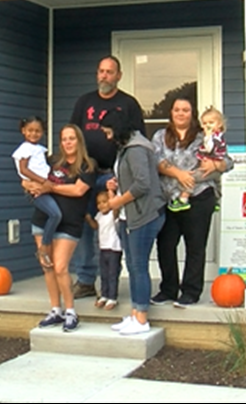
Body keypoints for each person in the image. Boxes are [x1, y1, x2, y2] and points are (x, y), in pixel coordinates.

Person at [68, 55, 146, 300]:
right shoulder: (85, 102)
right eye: (101, 71)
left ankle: (110, 283)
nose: (104, 76)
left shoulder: (128, 104)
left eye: (109, 72)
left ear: (118, 76)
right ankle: (85, 279)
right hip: (87, 176)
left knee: (114, 229)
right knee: (85, 224)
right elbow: (73, 135)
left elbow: (137, 140)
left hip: (115, 176)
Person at [151, 97, 232, 308]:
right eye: (177, 109)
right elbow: (155, 161)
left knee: (195, 247)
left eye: (185, 110)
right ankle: (168, 289)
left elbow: (227, 161)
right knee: (165, 246)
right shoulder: (160, 136)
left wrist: (216, 166)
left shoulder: (203, 136)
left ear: (191, 113)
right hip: (168, 199)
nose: (180, 113)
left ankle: (191, 291)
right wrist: (179, 174)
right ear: (171, 113)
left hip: (199, 196)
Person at [22, 124, 96, 333]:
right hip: (42, 220)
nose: (68, 142)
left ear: (79, 140)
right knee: (47, 266)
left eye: (72, 138)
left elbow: (78, 190)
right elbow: (27, 180)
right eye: (64, 139)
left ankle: (71, 311)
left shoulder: (88, 165)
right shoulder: (52, 161)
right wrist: (31, 185)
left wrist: (50, 187)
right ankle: (56, 310)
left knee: (61, 267)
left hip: (69, 223)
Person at [101, 110, 166, 335]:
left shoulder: (137, 148)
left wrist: (117, 200)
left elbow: (142, 184)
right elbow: (130, 178)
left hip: (144, 215)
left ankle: (142, 318)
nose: (108, 137)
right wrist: (115, 182)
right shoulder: (125, 149)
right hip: (129, 216)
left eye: (109, 132)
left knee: (139, 267)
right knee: (132, 266)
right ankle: (134, 314)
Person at [11, 116, 60, 269]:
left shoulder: (39, 149)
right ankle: (44, 247)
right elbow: (24, 169)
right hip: (36, 190)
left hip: (46, 188)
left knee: (55, 215)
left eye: (38, 131)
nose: (34, 134)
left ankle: (47, 242)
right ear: (23, 131)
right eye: (30, 130)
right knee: (55, 214)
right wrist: (42, 181)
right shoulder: (24, 149)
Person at [168, 106, 228, 212]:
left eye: (211, 122)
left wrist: (215, 164)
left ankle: (183, 199)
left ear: (219, 125)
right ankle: (217, 201)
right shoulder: (214, 136)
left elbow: (210, 148)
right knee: (217, 181)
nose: (207, 126)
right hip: (211, 169)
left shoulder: (214, 137)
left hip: (209, 170)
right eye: (205, 123)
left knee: (191, 178)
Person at [85, 190, 122, 311]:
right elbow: (96, 226)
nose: (101, 205)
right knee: (104, 273)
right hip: (103, 248)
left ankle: (112, 297)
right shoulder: (99, 215)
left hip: (114, 248)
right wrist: (89, 219)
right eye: (99, 203)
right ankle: (104, 295)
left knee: (112, 273)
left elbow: (116, 209)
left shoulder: (113, 214)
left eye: (104, 202)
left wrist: (112, 194)